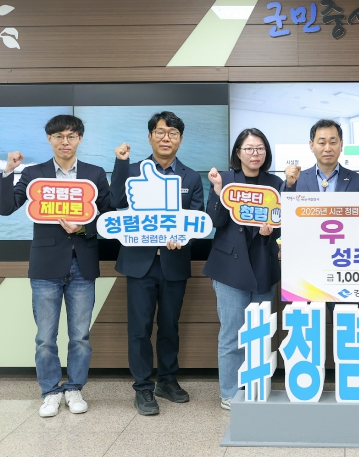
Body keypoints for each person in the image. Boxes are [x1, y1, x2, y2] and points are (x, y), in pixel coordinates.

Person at [0, 115, 111, 417]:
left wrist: (82, 229)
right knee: (45, 338)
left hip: (83, 265)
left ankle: (74, 388)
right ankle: (49, 391)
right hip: (46, 265)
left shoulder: (95, 173)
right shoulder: (34, 173)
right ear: (49, 139)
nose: (65, 142)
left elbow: (109, 217)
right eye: (59, 136)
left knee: (80, 337)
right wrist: (7, 171)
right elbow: (6, 208)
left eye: (71, 136)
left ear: (80, 139)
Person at [111, 111, 204, 415]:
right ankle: (142, 387)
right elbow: (116, 202)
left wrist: (184, 238)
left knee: (169, 326)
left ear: (180, 139)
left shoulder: (191, 177)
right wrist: (121, 163)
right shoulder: (133, 170)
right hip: (140, 263)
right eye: (161, 132)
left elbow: (197, 219)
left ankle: (166, 379)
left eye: (173, 133)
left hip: (174, 263)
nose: (166, 138)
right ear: (150, 137)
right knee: (139, 328)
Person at [203, 128, 283, 410]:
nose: (254, 154)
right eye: (249, 148)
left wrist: (270, 232)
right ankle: (230, 392)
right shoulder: (225, 179)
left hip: (263, 266)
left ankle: (256, 387)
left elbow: (283, 224)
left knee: (259, 333)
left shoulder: (275, 183)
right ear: (238, 153)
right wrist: (217, 191)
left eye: (260, 148)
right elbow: (214, 221)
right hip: (229, 268)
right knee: (232, 333)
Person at [282, 118, 359, 313]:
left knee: (347, 322)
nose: (327, 148)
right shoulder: (296, 180)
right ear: (311, 145)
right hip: (305, 267)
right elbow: (285, 216)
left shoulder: (357, 181)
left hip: (344, 266)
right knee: (307, 324)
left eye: (333, 141)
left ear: (341, 144)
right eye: (321, 142)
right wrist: (288, 186)